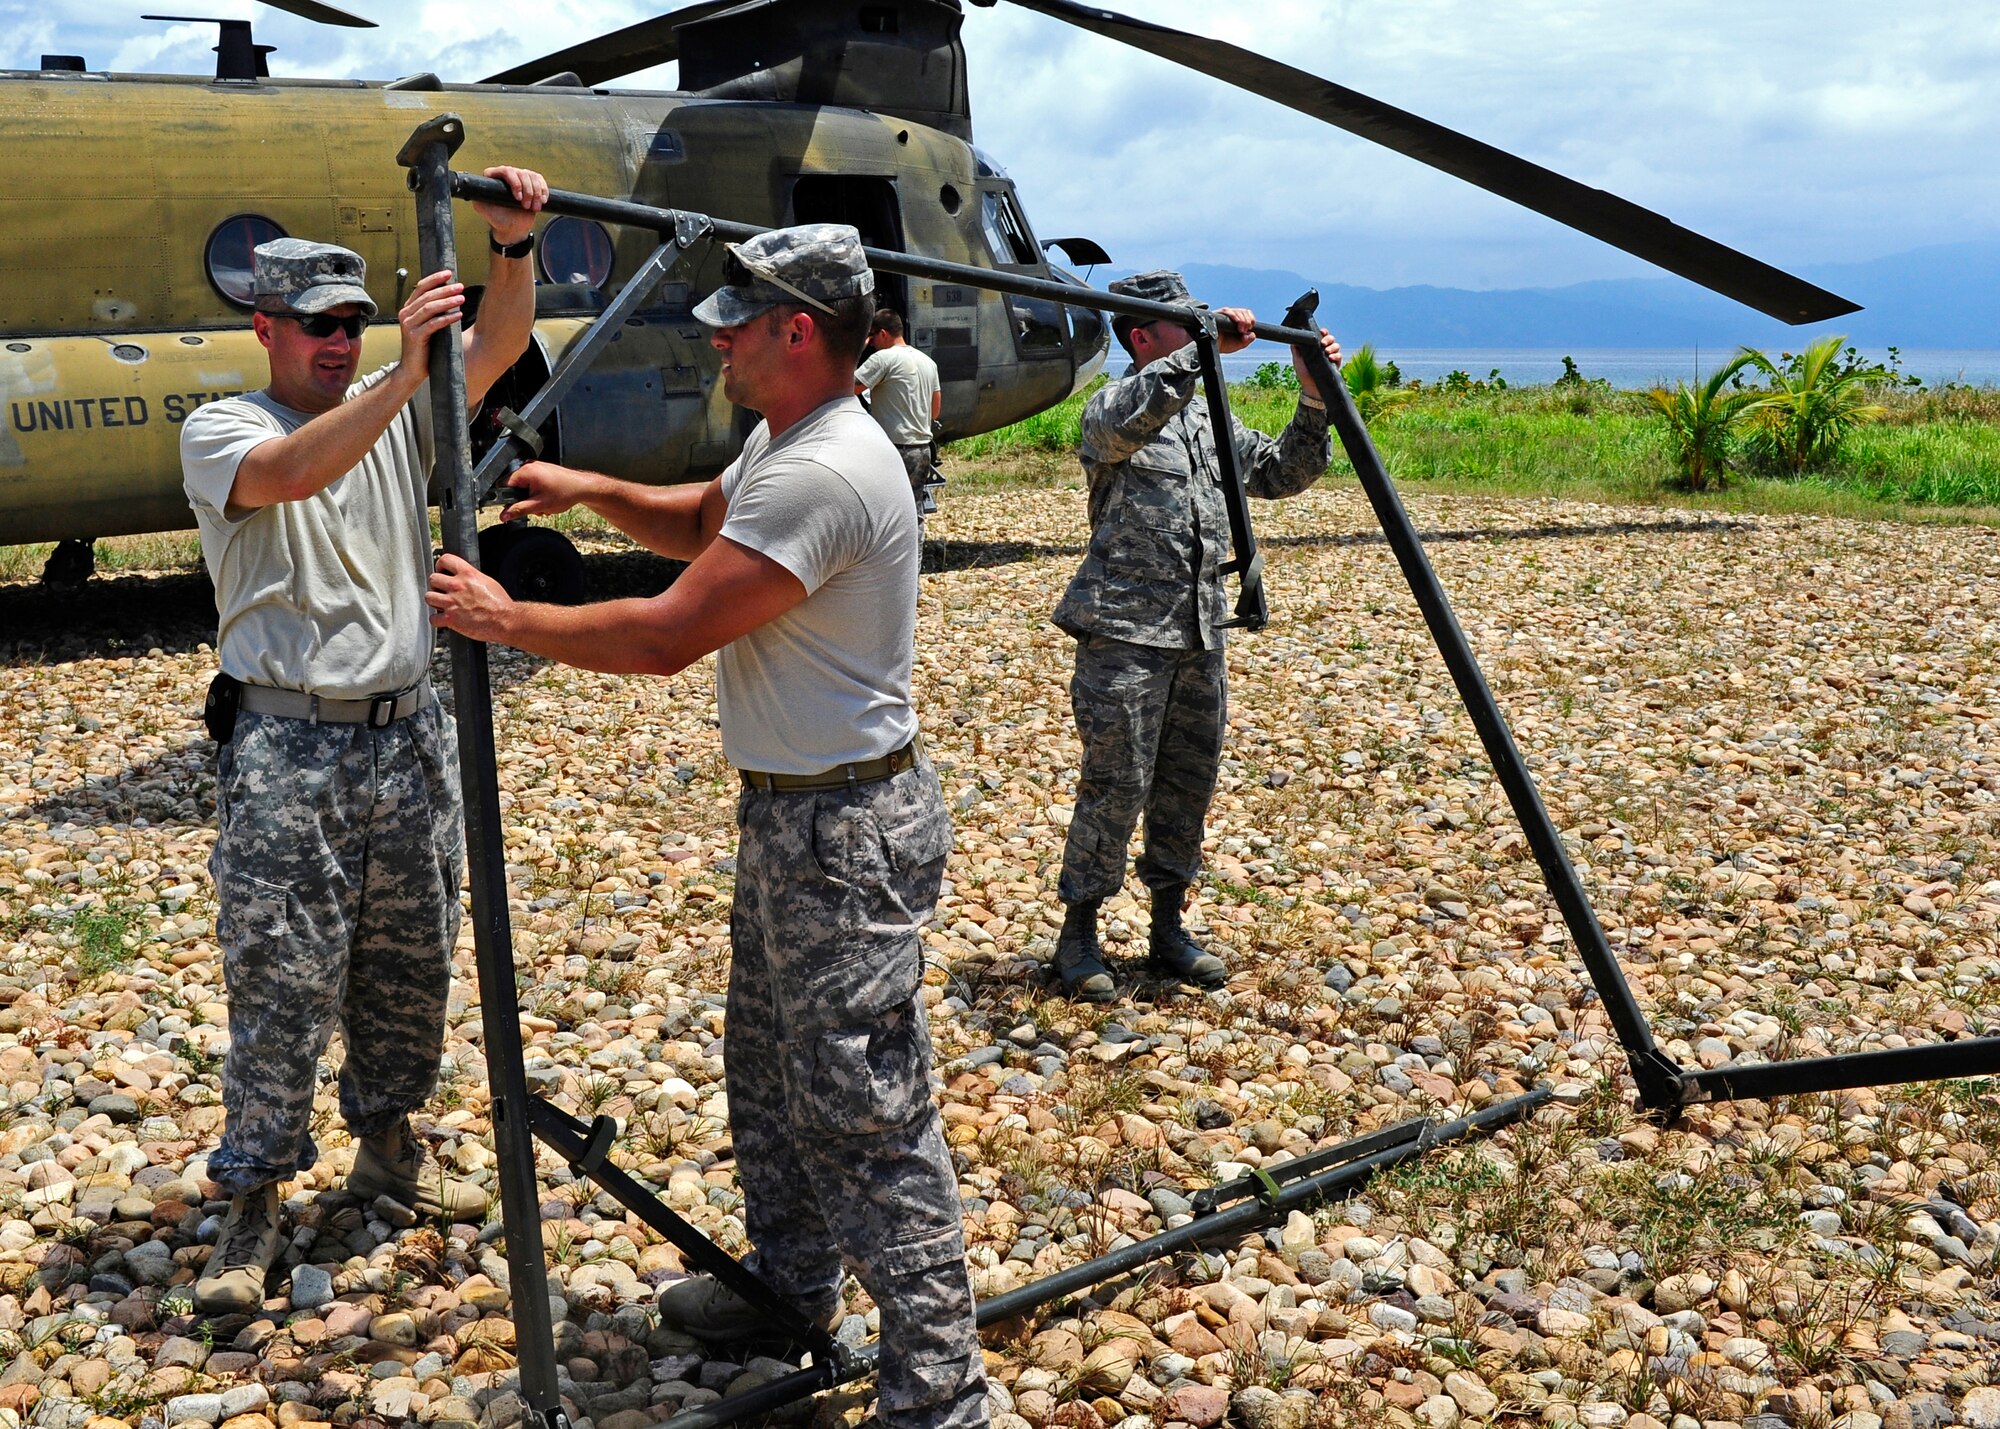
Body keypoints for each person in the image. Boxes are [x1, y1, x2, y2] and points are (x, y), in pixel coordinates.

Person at [425, 224, 987, 1429]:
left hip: (842, 826)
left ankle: (940, 1392)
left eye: (738, 318)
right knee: (771, 1075)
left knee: (867, 1116)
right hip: (798, 816)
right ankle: (792, 1288)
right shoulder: (788, 439)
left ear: (798, 332)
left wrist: (508, 616)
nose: (717, 335)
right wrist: (586, 492)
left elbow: (669, 633)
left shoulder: (828, 467)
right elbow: (698, 523)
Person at [178, 165, 549, 1315]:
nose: (337, 342)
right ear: (266, 328)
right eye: (317, 326)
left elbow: (495, 347)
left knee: (408, 962)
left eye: (351, 323)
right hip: (289, 747)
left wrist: (510, 246)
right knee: (280, 978)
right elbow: (294, 471)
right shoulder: (224, 425)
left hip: (404, 733)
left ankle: (387, 1146)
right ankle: (252, 1201)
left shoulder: (392, 410)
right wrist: (403, 369)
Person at [1048, 269, 1341, 1002]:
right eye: (1188, 320)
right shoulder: (1115, 407)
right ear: (1144, 335)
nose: (1202, 328)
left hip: (1200, 630)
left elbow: (1282, 472)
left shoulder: (1209, 416)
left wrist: (1313, 391)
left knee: (1186, 782)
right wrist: (1204, 349)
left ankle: (1167, 926)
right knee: (1115, 785)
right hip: (1123, 634)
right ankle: (1079, 932)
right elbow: (1130, 417)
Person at [854, 308, 943, 506]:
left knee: (885, 509)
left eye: (873, 337)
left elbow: (849, 388)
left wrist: (858, 348)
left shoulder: (883, 359)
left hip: (895, 451)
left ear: (883, 334)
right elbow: (935, 411)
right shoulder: (928, 362)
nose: (873, 344)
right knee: (913, 509)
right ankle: (914, 539)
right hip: (923, 451)